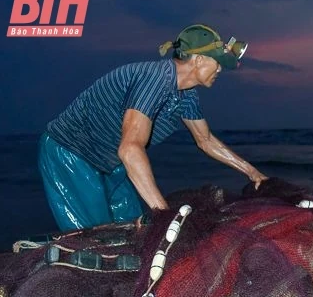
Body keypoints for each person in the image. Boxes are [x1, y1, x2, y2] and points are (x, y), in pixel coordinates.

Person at [38, 23, 268, 231]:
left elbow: (205, 140)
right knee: (96, 238)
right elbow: (130, 149)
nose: (219, 70)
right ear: (198, 59)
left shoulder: (187, 95)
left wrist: (252, 173)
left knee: (135, 232)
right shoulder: (155, 78)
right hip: (72, 155)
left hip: (111, 163)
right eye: (217, 62)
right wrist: (164, 214)